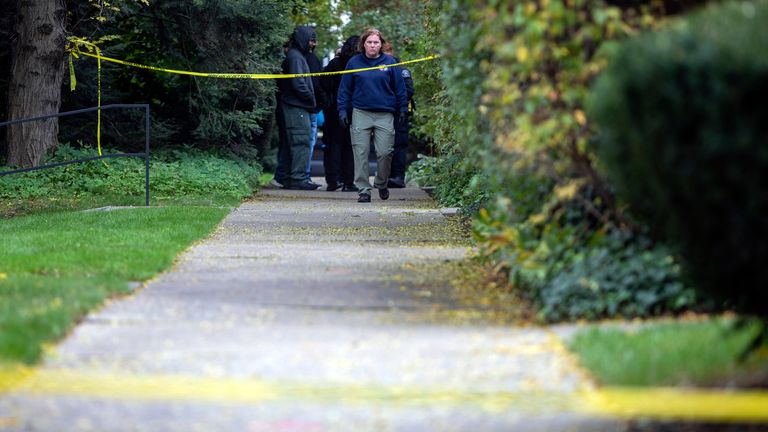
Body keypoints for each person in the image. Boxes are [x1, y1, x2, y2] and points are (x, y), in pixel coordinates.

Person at [337, 28, 408, 203]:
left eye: (376, 42)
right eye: (369, 42)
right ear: (363, 44)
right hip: (361, 112)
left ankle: (381, 183)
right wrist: (342, 109)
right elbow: (345, 89)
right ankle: (363, 189)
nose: (372, 45)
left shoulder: (390, 62)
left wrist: (403, 109)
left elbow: (400, 88)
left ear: (381, 45)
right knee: (360, 152)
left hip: (385, 113)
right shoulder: (354, 62)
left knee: (385, 152)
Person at [272, 25, 319, 190]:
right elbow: (298, 83)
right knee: (301, 141)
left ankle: (290, 178)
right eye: (311, 40)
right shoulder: (296, 57)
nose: (314, 44)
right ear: (303, 40)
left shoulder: (296, 56)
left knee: (294, 142)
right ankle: (298, 178)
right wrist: (311, 99)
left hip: (295, 106)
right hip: (296, 107)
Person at [321, 36, 360, 192]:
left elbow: (322, 85)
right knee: (349, 147)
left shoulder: (335, 64)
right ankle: (347, 181)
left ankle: (333, 180)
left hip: (334, 110)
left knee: (334, 146)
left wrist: (328, 102)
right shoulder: (358, 64)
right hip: (349, 109)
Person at [381, 42, 415, 189]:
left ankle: (398, 176)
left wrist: (393, 102)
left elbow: (409, 90)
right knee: (384, 146)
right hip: (384, 112)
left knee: (399, 144)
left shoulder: (401, 69)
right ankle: (386, 176)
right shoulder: (378, 68)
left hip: (399, 112)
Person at [305, 33, 328, 187]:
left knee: (309, 141)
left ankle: (303, 175)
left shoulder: (305, 58)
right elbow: (317, 83)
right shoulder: (311, 59)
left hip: (311, 106)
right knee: (308, 141)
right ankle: (304, 175)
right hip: (310, 106)